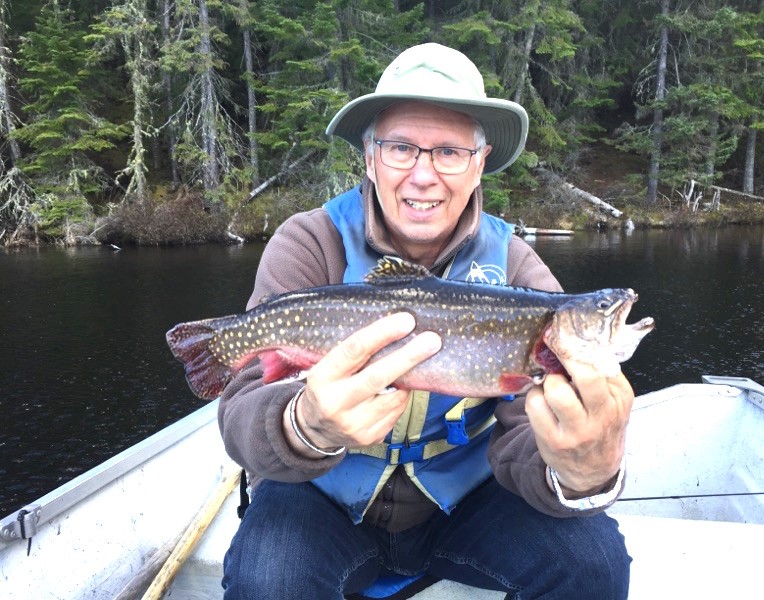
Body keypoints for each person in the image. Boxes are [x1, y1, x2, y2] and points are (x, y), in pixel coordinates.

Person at [219, 43, 633, 599]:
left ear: (479, 163)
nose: (423, 175)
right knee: (268, 579)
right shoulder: (309, 242)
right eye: (400, 148)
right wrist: (303, 425)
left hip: (466, 504)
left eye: (449, 152)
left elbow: (525, 448)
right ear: (369, 157)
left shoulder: (517, 270)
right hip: (320, 497)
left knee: (593, 564)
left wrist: (585, 473)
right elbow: (240, 411)